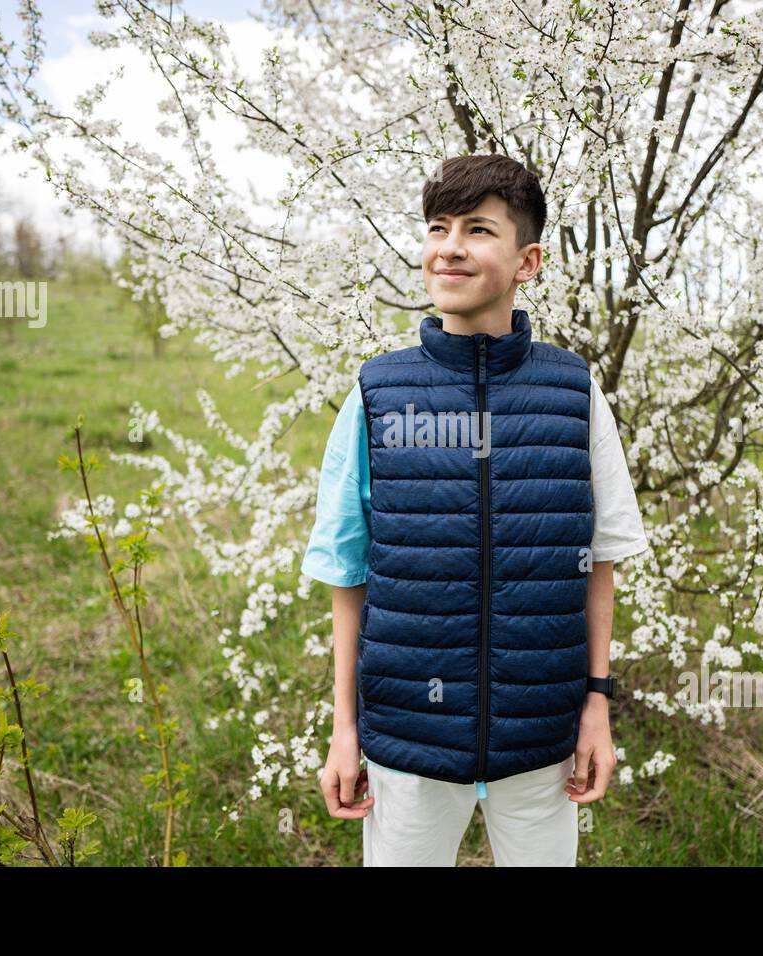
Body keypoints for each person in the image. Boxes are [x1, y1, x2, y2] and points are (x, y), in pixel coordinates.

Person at [301, 154, 648, 866]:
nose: (449, 246)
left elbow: (600, 557)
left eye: (478, 229)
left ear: (528, 260)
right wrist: (345, 729)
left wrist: (596, 705)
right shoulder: (377, 395)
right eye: (438, 226)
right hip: (408, 742)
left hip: (542, 742)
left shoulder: (574, 392)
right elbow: (347, 570)